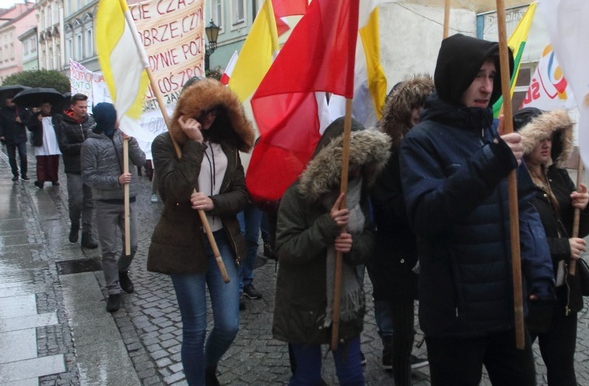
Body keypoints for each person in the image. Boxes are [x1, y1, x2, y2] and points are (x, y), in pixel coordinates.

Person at [399, 34, 555, 386]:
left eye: (492, 76)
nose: (487, 87)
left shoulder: (494, 137)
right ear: (455, 76)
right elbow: (427, 215)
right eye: (477, 76)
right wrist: (489, 163)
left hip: (508, 308)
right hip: (456, 316)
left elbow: (525, 209)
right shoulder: (421, 141)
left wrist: (540, 272)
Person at [148, 78, 254, 386]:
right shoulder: (166, 143)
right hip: (185, 244)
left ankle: (207, 366)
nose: (209, 119)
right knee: (194, 328)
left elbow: (241, 193)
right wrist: (194, 144)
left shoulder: (228, 145)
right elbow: (174, 191)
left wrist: (214, 202)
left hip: (222, 241)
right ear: (188, 110)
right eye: (203, 112)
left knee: (228, 325)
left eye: (215, 112)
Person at [272, 117, 389, 386]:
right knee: (308, 377)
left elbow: (370, 239)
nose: (357, 169)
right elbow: (287, 249)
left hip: (345, 304)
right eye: (352, 161)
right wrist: (326, 226)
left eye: (362, 162)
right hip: (304, 304)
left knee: (352, 376)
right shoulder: (298, 195)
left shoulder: (362, 194)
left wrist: (354, 246)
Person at [514, 107, 589, 386]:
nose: (546, 143)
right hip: (529, 290)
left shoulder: (557, 175)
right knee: (519, 370)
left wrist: (584, 208)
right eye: (539, 137)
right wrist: (561, 247)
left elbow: (579, 229)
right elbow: (514, 239)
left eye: (550, 137)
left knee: (562, 367)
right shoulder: (512, 181)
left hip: (563, 290)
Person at [368, 75, 434, 383]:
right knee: (402, 328)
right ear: (403, 109)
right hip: (397, 248)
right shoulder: (387, 151)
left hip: (430, 247)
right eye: (414, 105)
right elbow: (384, 204)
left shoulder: (434, 145)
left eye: (425, 104)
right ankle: (400, 370)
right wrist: (420, 204)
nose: (420, 111)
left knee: (435, 319)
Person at [81, 102, 146, 313]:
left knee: (133, 245)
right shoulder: (90, 144)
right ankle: (113, 291)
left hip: (128, 200)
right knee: (109, 249)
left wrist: (132, 142)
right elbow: (88, 176)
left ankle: (122, 270)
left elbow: (141, 160)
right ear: (107, 118)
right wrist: (115, 180)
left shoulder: (124, 136)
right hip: (105, 203)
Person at [54, 93, 98, 249]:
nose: (84, 110)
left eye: (86, 107)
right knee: (76, 201)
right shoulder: (63, 123)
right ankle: (74, 223)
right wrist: (84, 145)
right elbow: (64, 147)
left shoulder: (91, 121)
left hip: (90, 168)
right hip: (73, 168)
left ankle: (87, 233)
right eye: (81, 107)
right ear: (72, 107)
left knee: (89, 201)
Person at [26, 102, 62, 188]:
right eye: (46, 106)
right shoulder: (36, 116)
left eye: (49, 106)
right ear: (41, 107)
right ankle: (41, 180)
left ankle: (54, 179)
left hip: (53, 142)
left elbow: (60, 126)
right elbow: (30, 127)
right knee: (42, 162)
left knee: (53, 161)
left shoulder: (55, 116)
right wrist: (37, 121)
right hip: (41, 142)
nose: (48, 108)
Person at [0, 96, 31, 181]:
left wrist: (21, 121)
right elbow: (1, 124)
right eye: (8, 102)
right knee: (11, 157)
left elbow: (28, 120)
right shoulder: (3, 111)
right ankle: (15, 173)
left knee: (23, 155)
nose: (10, 104)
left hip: (20, 136)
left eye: (11, 102)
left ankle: (24, 173)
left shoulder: (21, 109)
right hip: (9, 137)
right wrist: (1, 134)